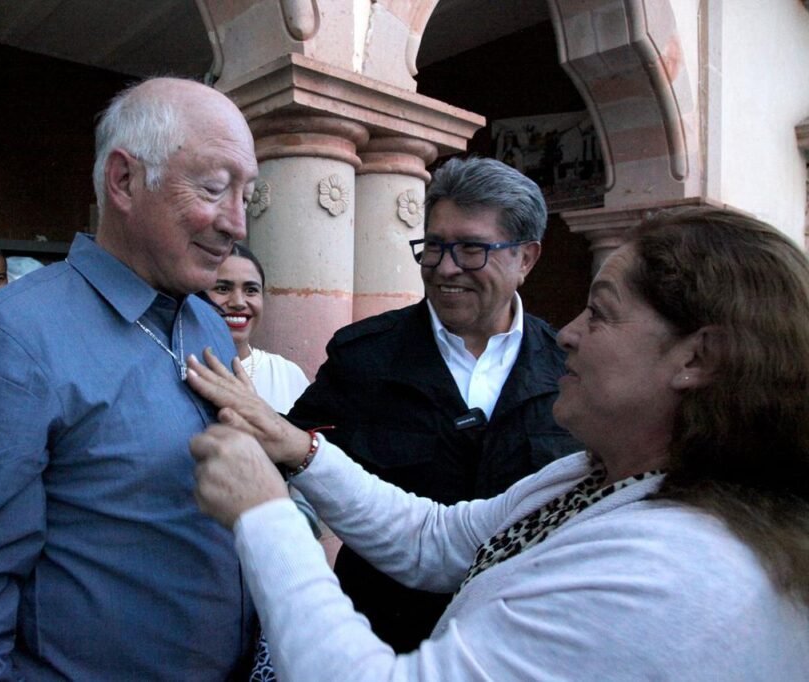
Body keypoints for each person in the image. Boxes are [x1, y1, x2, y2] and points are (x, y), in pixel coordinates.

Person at [185, 206, 809, 680]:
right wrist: (298, 448)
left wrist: (265, 514)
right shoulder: (594, 477)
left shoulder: (676, 572)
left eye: (602, 313)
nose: (567, 333)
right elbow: (439, 538)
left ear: (695, 357)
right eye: (434, 247)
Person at [0, 77, 259, 680]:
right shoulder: (9, 339)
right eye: (216, 188)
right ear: (124, 180)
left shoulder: (208, 324)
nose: (237, 223)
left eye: (249, 194)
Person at [288, 155, 580, 649]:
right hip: (381, 643)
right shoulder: (364, 358)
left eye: (470, 250)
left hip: (521, 647)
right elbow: (295, 467)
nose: (445, 269)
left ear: (526, 258)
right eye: (434, 248)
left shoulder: (570, 370)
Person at [206, 243, 309, 413]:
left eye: (251, 290)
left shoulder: (287, 375)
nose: (238, 302)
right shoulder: (176, 370)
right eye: (223, 288)